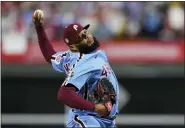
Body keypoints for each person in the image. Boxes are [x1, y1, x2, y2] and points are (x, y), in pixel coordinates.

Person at [32, 9, 119, 127]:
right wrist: (94, 107)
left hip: (103, 120)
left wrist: (39, 28)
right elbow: (64, 94)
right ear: (73, 46)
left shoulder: (70, 56)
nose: (88, 36)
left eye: (85, 32)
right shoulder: (85, 61)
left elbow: (50, 55)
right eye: (81, 37)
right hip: (87, 118)